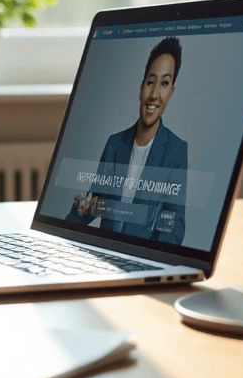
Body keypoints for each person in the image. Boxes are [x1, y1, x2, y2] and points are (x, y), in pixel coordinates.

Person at [65, 37, 188, 244]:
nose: (154, 94)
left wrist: (153, 258)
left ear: (171, 92)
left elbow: (174, 225)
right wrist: (64, 229)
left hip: (145, 256)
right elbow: (96, 204)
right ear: (141, 88)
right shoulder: (114, 144)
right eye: (150, 82)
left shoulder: (176, 151)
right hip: (106, 251)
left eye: (164, 84)